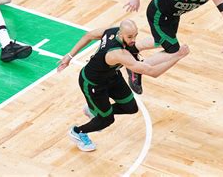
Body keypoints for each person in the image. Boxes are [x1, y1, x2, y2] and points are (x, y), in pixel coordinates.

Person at [57, 19, 189, 151]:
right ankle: (77, 132)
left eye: (135, 35)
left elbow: (89, 35)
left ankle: (95, 110)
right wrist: (177, 56)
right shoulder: (118, 54)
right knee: (106, 120)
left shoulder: (112, 32)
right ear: (121, 34)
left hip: (112, 76)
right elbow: (153, 72)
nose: (133, 39)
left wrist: (69, 56)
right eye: (130, 37)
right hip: (93, 83)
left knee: (130, 107)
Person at [124, 0, 223, 94]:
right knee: (173, 48)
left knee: (162, 40)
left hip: (174, 16)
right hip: (158, 14)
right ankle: (136, 68)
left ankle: (133, 49)